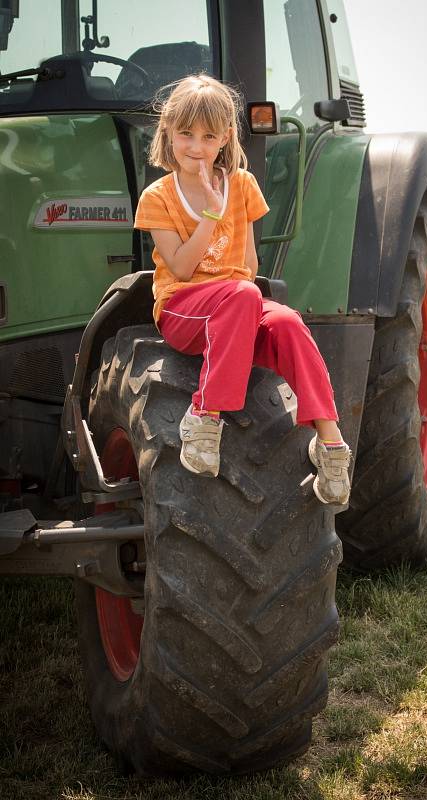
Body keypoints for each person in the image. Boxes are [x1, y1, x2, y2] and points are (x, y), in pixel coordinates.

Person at [134, 74, 351, 504]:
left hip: (235, 303)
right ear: (168, 133)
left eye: (208, 136)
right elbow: (180, 266)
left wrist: (247, 309)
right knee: (244, 295)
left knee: (287, 321)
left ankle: (330, 444)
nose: (196, 146)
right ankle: (204, 417)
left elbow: (248, 264)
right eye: (186, 134)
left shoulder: (243, 185)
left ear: (226, 137)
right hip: (183, 309)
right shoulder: (157, 197)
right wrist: (211, 218)